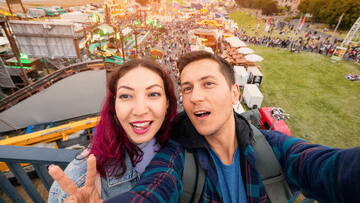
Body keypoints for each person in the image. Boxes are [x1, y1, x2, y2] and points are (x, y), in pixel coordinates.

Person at [50, 51, 360, 203]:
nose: (196, 96)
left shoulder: (273, 148)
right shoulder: (177, 156)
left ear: (235, 93)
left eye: (208, 84)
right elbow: (153, 191)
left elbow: (327, 168)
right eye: (187, 88)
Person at [47, 58, 177, 202]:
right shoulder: (78, 182)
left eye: (153, 94)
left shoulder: (182, 145)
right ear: (114, 105)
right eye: (126, 96)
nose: (140, 111)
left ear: (167, 103)